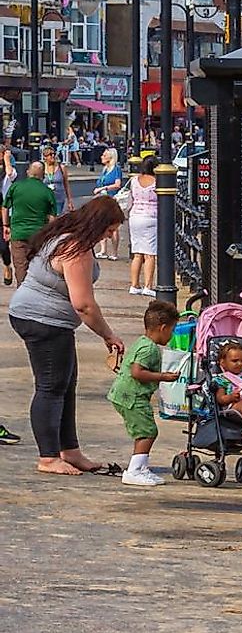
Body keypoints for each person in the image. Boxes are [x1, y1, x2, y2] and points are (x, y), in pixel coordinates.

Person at [8, 195, 126, 475]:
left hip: (40, 316)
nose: (111, 236)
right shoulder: (76, 248)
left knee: (66, 383)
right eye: (109, 230)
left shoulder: (65, 236)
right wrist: (109, 336)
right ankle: (48, 457)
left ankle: (69, 450)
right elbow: (83, 304)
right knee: (50, 387)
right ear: (97, 225)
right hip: (43, 320)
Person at [110, 299, 181, 485]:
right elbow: (137, 372)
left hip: (125, 395)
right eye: (172, 330)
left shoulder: (142, 342)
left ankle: (140, 467)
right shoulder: (150, 349)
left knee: (144, 430)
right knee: (147, 431)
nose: (172, 335)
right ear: (163, 327)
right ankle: (135, 470)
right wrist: (163, 377)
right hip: (133, 397)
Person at [6, 153, 56, 285]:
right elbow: (52, 218)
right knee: (37, 266)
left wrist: (6, 225)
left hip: (18, 233)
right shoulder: (47, 192)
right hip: (38, 235)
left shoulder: (16, 187)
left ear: (28, 172)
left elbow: (5, 207)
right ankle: (34, 290)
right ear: (43, 175)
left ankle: (22, 290)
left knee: (20, 266)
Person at [122, 155, 158, 295]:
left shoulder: (134, 180)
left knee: (137, 254)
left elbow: (132, 197)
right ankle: (148, 286)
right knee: (149, 254)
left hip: (135, 216)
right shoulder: (157, 181)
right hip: (151, 217)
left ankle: (134, 285)